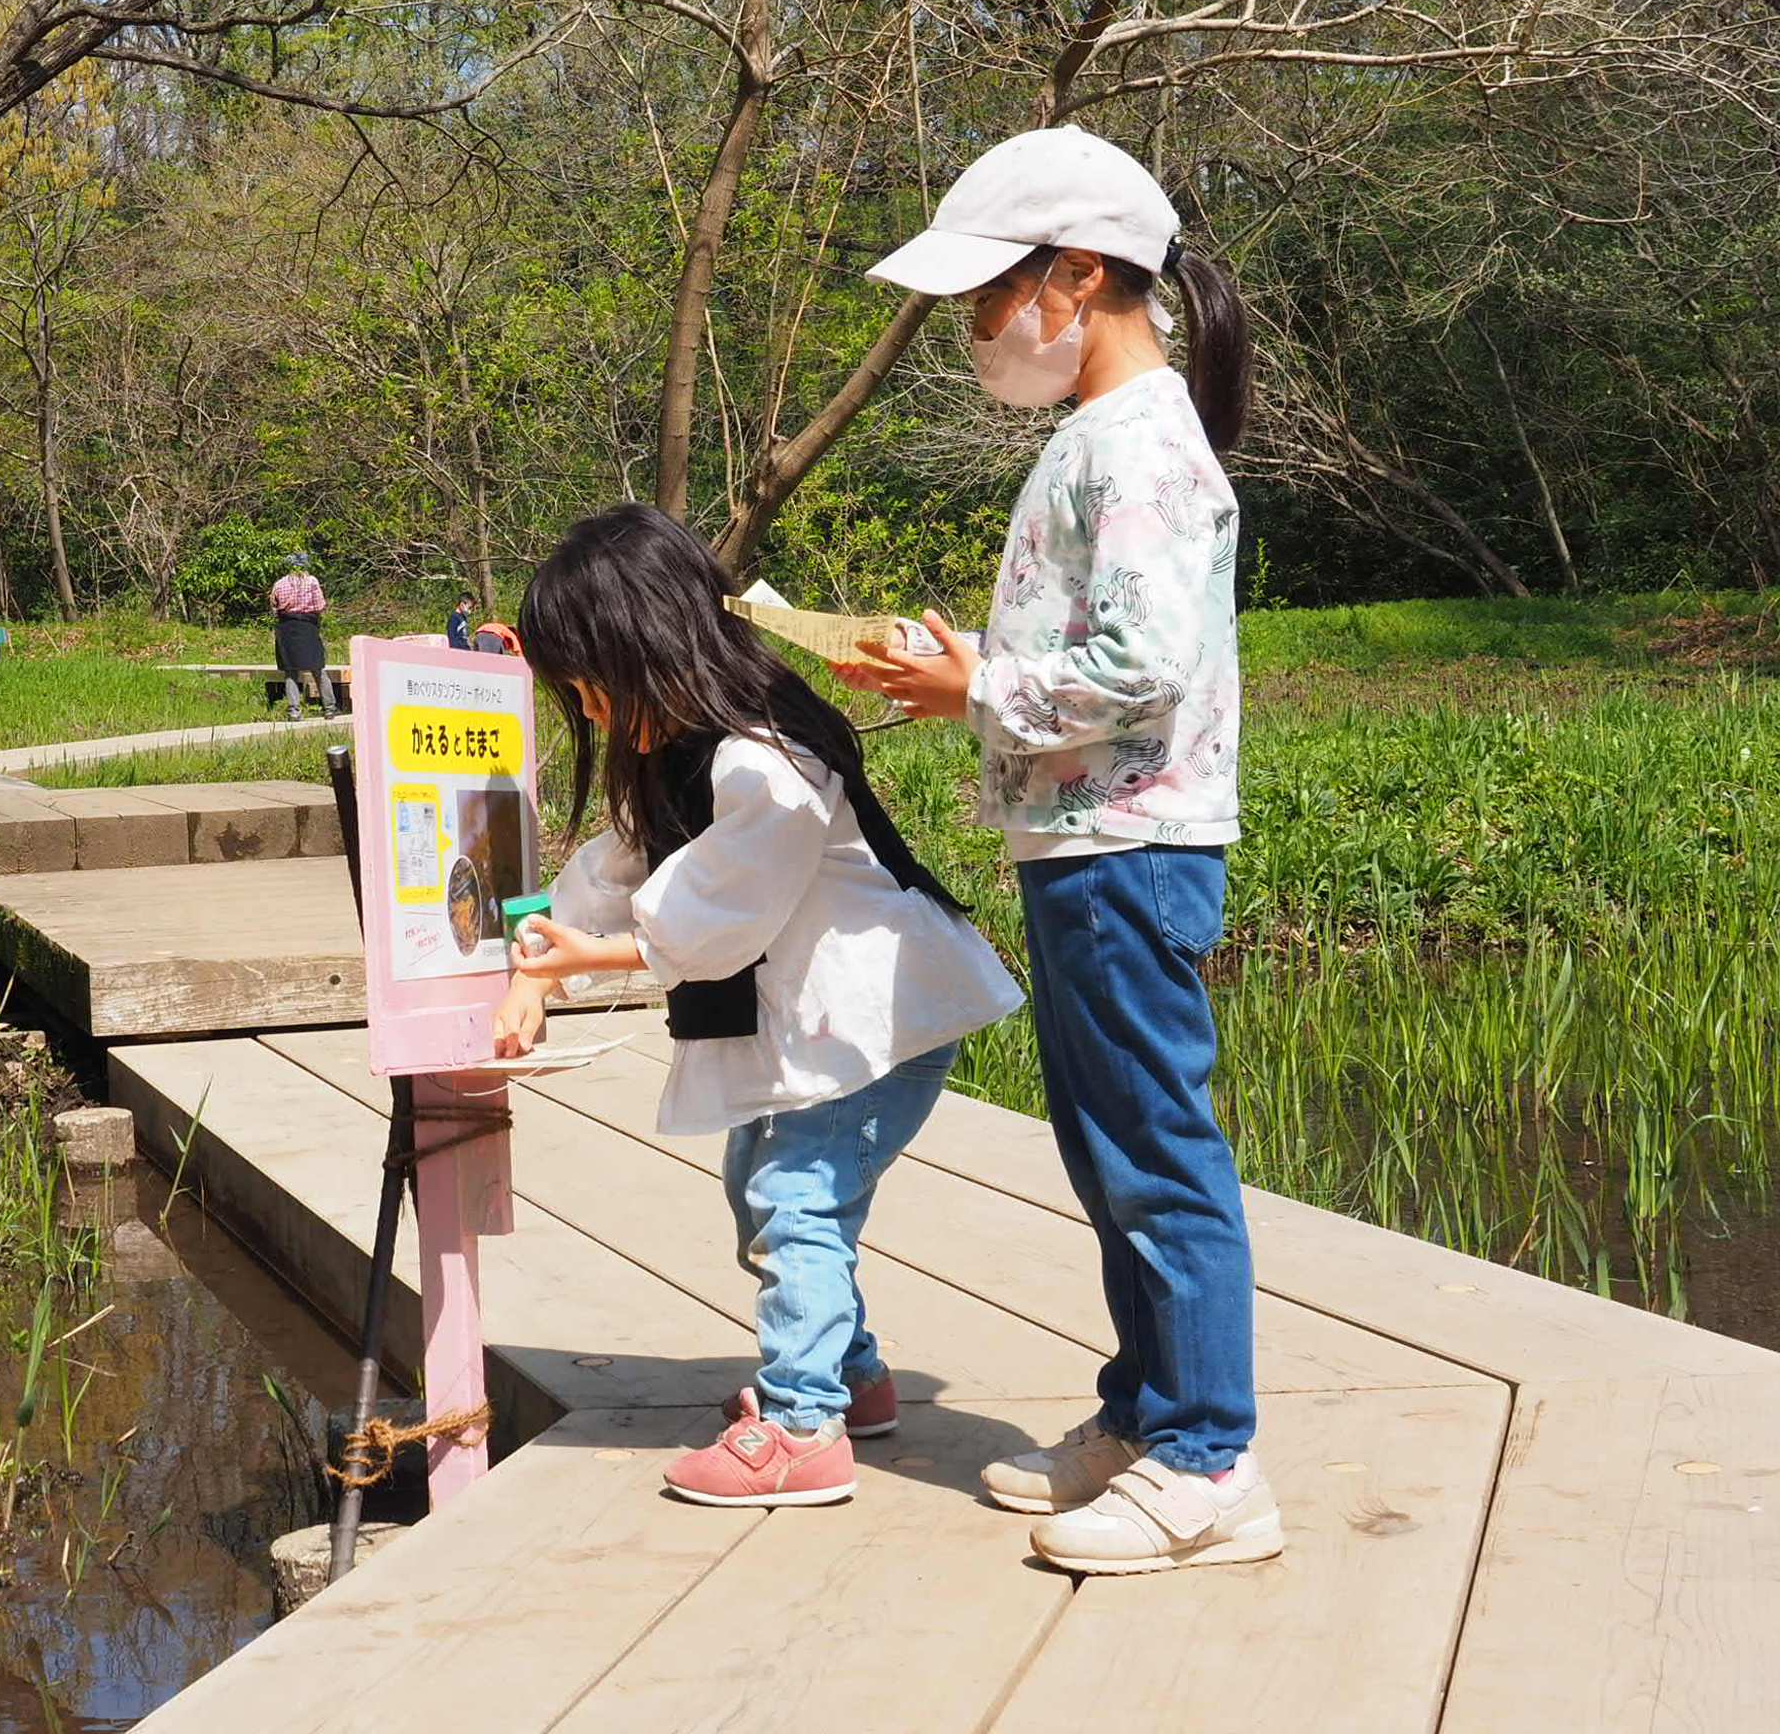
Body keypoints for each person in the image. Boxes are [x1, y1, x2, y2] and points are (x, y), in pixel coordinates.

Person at [839, 122, 1276, 1575]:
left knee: (1156, 1152)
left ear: (1078, 278)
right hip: (1084, 840)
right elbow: (1099, 646)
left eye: (989, 298)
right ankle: (1146, 1414)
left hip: (1129, 846)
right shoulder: (1101, 439)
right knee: (1105, 1151)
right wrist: (982, 663)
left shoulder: (1141, 441)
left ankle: (1213, 1456)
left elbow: (1142, 663)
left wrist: (975, 687)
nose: (978, 331)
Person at [492, 504, 1022, 1508]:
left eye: (589, 690)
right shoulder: (683, 748)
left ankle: (798, 1424)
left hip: (879, 1026)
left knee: (796, 1201)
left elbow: (719, 914)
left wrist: (588, 957)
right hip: (820, 1028)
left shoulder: (764, 759)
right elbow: (617, 869)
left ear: (645, 649)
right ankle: (852, 1378)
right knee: (760, 1192)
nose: (591, 715)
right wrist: (534, 970)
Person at [269, 552, 329, 717]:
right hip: (308, 626)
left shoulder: (279, 583)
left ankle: (294, 711)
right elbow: (320, 606)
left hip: (287, 628)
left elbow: (274, 606)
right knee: (318, 668)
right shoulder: (312, 582)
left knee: (290, 670)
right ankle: (330, 708)